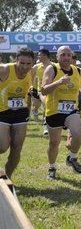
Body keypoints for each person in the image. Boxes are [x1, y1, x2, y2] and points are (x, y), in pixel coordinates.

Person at [41, 46, 81, 180]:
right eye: (63, 55)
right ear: (57, 56)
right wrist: (58, 82)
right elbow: (43, 90)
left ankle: (72, 158)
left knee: (78, 134)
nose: (66, 58)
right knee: (54, 143)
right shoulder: (52, 69)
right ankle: (52, 167)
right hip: (54, 111)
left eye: (69, 55)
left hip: (71, 110)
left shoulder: (78, 71)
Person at [0, 48, 34, 178]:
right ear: (16, 61)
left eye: (28, 64)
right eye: (22, 63)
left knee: (17, 147)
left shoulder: (33, 72)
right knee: (2, 146)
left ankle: (7, 178)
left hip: (21, 112)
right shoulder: (5, 69)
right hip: (2, 111)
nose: (25, 67)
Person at [30, 49, 53, 136]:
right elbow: (30, 75)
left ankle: (46, 126)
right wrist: (31, 85)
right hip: (41, 90)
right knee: (38, 105)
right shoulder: (36, 67)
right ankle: (35, 112)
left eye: (39, 55)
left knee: (47, 106)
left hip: (52, 91)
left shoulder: (54, 66)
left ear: (45, 56)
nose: (38, 57)